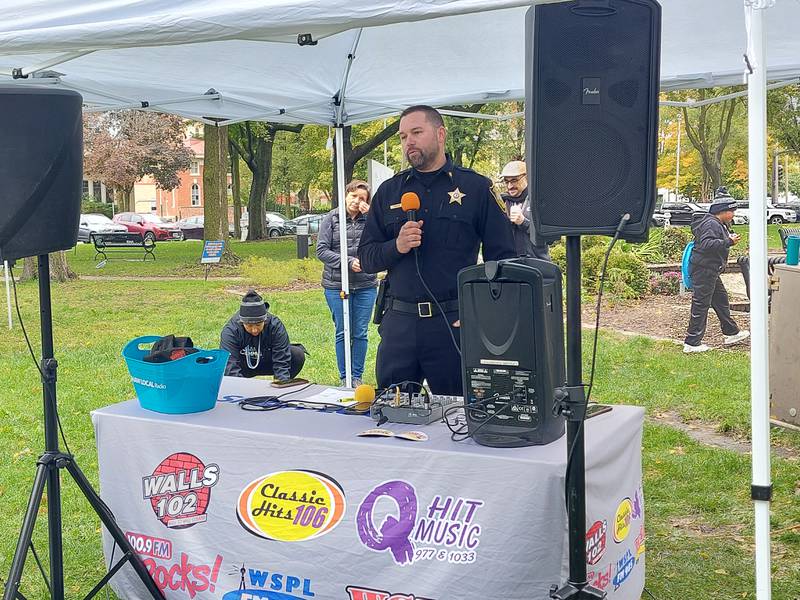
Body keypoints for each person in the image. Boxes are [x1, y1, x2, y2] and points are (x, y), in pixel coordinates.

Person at [357, 105, 516, 395]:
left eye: (417, 132)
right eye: (404, 136)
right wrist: (397, 245)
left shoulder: (476, 188)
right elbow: (367, 258)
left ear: (440, 134)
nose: (409, 142)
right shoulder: (390, 192)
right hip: (400, 325)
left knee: (456, 419)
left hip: (452, 323)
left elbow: (503, 260)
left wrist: (480, 313)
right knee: (392, 418)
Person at [317, 179, 379, 387]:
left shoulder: (371, 219)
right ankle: (345, 376)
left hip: (365, 284)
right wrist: (348, 262)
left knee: (360, 331)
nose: (357, 201)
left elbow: (384, 237)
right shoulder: (332, 218)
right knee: (343, 330)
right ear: (345, 196)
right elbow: (322, 250)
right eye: (353, 196)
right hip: (336, 284)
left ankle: (357, 375)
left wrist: (372, 214)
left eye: (362, 198)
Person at [683, 197, 750, 353]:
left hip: (709, 269)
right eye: (731, 211)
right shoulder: (711, 224)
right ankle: (692, 342)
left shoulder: (716, 223)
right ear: (723, 211)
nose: (733, 214)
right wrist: (728, 242)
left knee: (721, 300)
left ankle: (731, 332)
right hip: (704, 270)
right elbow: (706, 244)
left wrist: (728, 239)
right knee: (701, 305)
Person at [220, 289, 306, 379]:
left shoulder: (274, 326)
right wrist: (242, 389)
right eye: (249, 325)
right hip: (243, 363)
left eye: (258, 324)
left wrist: (281, 384)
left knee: (297, 355)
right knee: (224, 363)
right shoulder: (231, 330)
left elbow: (282, 361)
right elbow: (230, 367)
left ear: (265, 320)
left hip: (267, 360)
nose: (254, 330)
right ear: (242, 322)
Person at [500, 160, 551, 260]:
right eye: (506, 181)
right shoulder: (502, 202)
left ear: (526, 177)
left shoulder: (539, 200)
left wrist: (523, 222)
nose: (510, 186)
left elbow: (549, 237)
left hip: (537, 263)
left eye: (514, 180)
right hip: (510, 264)